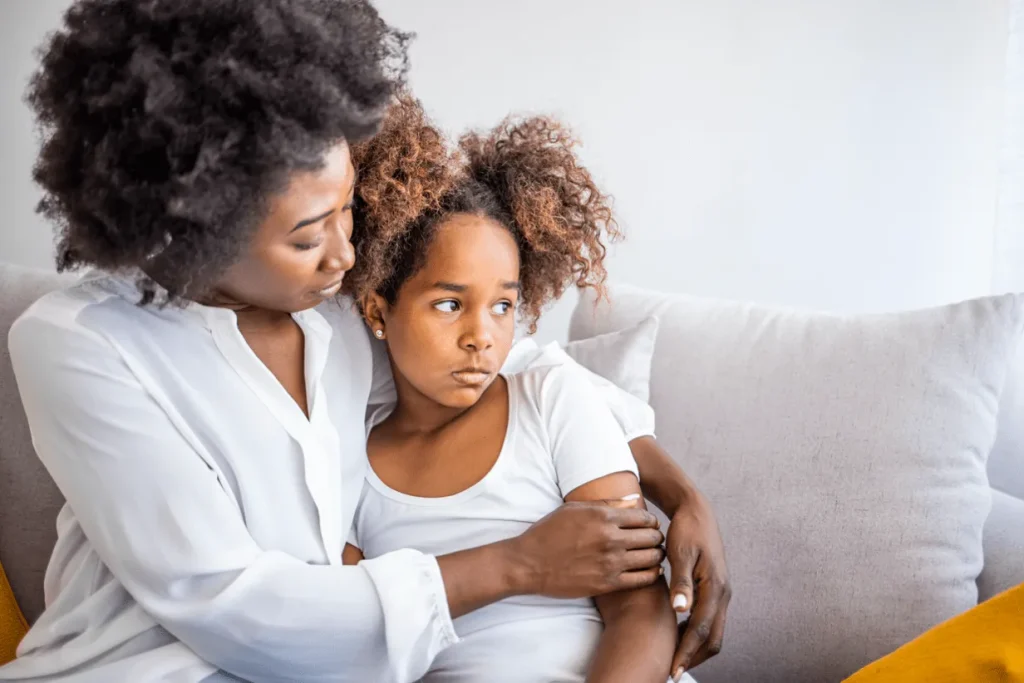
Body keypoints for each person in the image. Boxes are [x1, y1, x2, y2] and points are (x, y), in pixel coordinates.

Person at [1, 1, 728, 681]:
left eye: (347, 209)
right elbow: (222, 600)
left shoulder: (337, 313)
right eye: (308, 235)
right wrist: (517, 565)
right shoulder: (80, 342)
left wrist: (684, 497)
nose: (345, 254)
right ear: (194, 225)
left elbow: (513, 360)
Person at [340, 94, 696, 683]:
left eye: (503, 305)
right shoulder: (346, 460)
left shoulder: (550, 399)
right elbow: (352, 639)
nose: (482, 336)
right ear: (379, 310)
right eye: (450, 304)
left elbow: (640, 610)